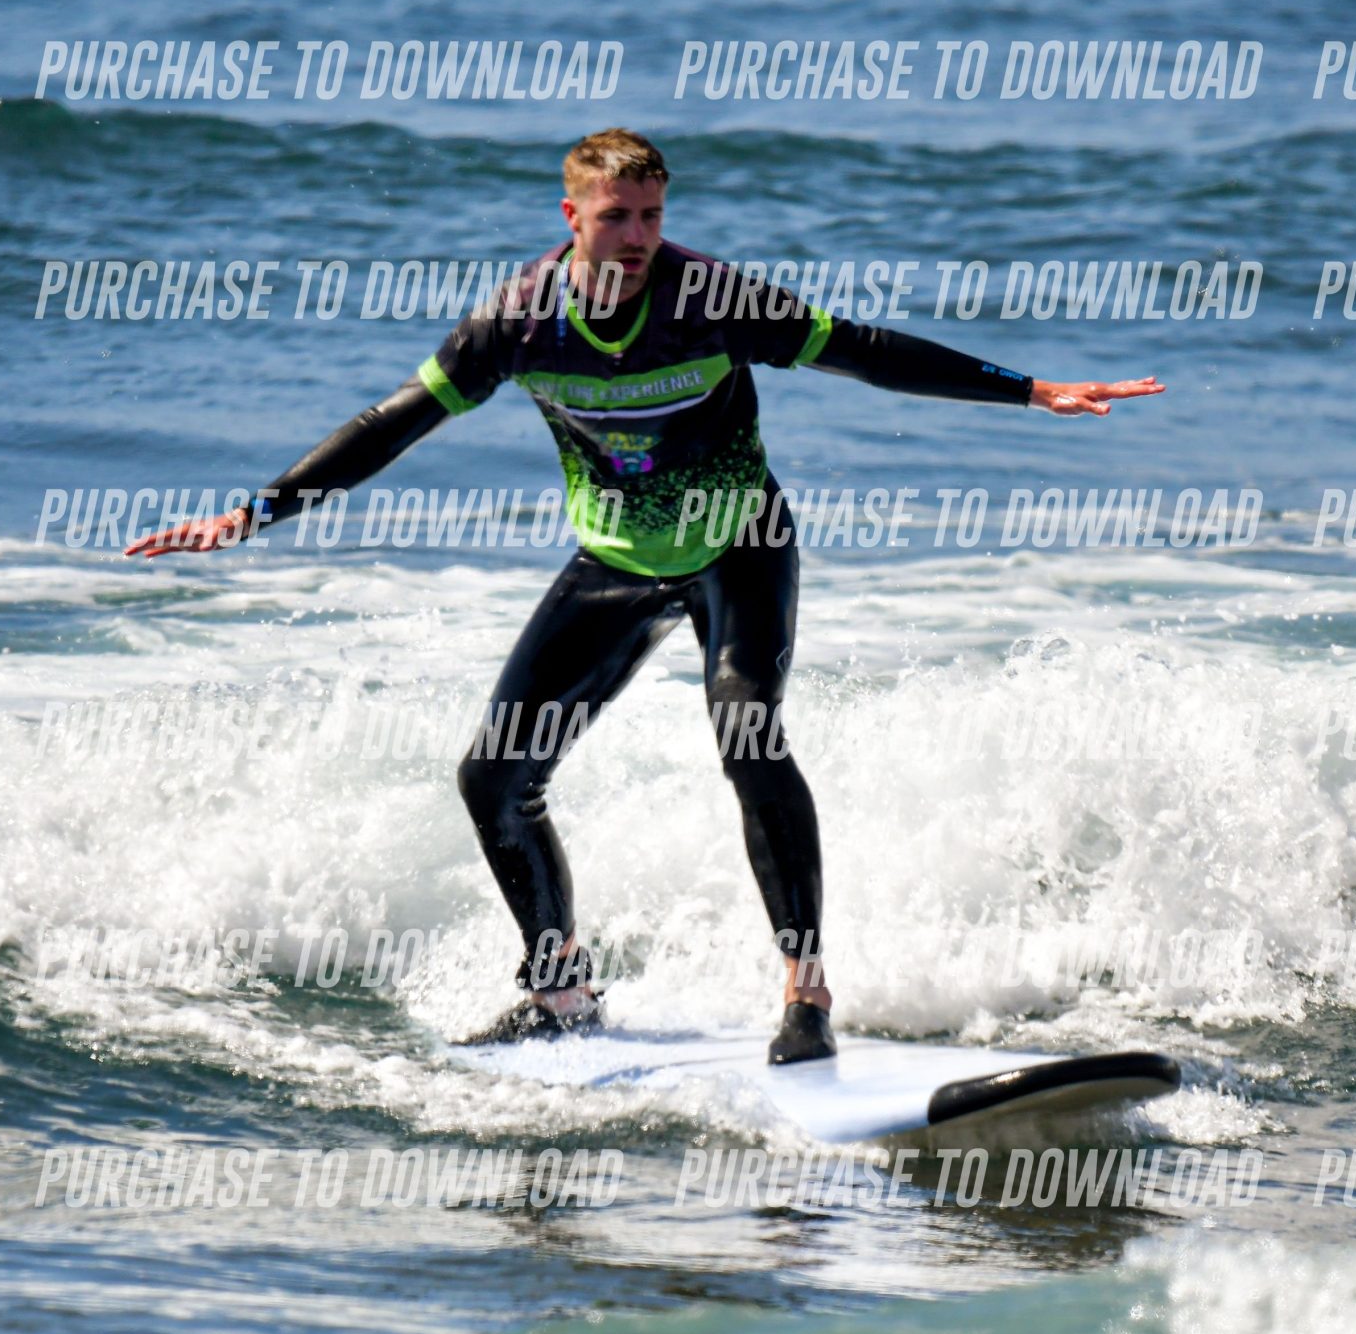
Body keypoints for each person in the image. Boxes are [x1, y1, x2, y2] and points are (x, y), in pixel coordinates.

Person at [127, 129, 1161, 1062]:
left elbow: (864, 351)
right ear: (571, 215)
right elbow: (391, 424)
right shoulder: (517, 324)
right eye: (617, 216)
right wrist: (253, 513)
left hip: (738, 545)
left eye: (653, 216)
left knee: (748, 735)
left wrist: (1029, 390)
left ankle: (805, 992)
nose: (637, 237)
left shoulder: (710, 299)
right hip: (616, 562)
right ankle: (559, 991)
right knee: (493, 778)